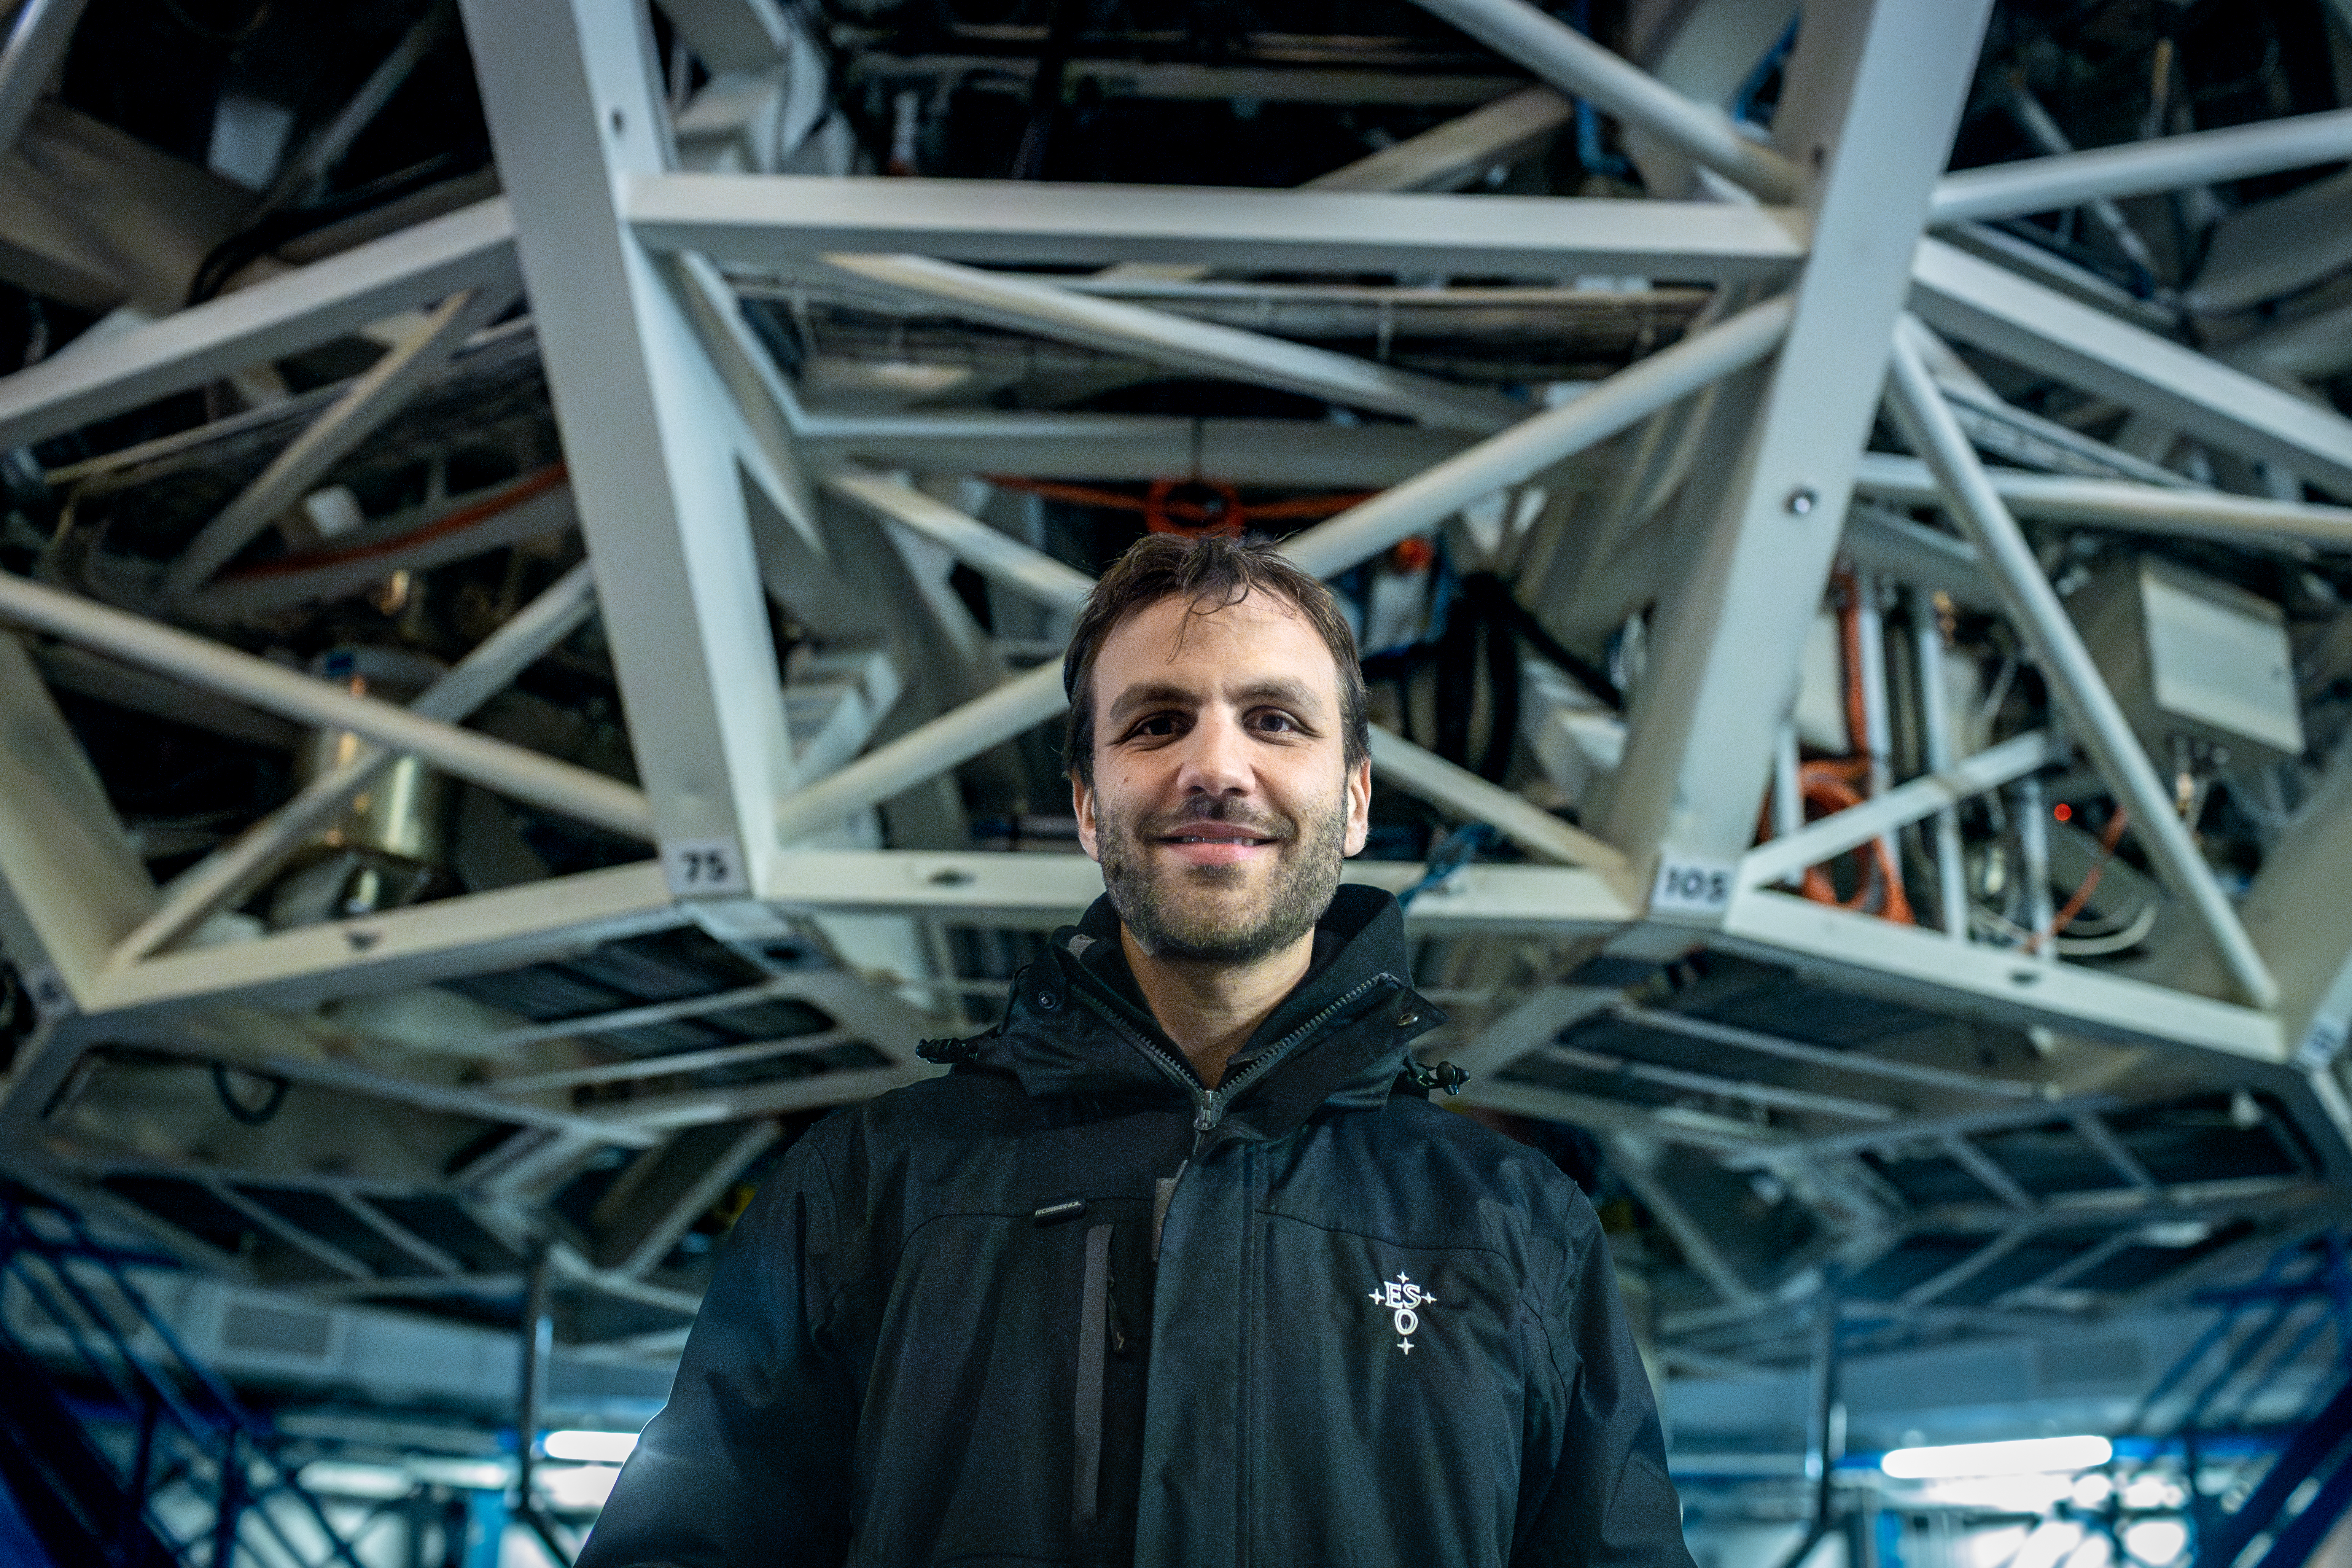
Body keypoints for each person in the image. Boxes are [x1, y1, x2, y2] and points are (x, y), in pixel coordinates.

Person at [578, 535, 1695, 1568]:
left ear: (1354, 800)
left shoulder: (1515, 1227)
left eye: (1276, 720)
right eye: (1157, 723)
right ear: (1084, 803)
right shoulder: (872, 1189)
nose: (1216, 766)